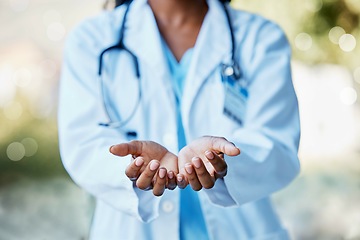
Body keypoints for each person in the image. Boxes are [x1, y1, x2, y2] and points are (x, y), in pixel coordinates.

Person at [58, 0, 301, 239]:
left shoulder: (261, 38)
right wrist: (132, 167)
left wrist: (221, 160)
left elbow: (276, 143)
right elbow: (83, 143)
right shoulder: (91, 39)